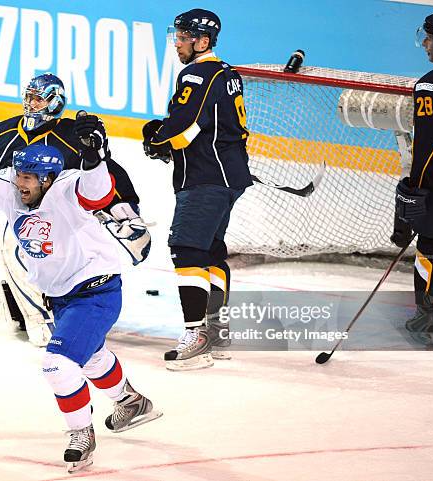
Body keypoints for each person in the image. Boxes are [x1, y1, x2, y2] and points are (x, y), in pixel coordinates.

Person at [0, 117, 161, 472]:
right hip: (61, 295)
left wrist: (94, 156)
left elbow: (96, 193)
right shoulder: (11, 186)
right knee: (91, 357)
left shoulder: (68, 188)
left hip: (96, 291)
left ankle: (81, 434)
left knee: (57, 364)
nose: (19, 183)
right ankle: (131, 401)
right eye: (18, 174)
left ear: (47, 179)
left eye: (28, 178)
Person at [0, 72, 151, 346]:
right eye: (29, 98)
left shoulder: (73, 134)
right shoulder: (1, 133)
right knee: (10, 239)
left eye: (38, 99)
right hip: (16, 214)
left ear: (55, 103)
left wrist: (126, 208)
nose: (31, 104)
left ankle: (53, 315)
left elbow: (106, 173)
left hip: (62, 218)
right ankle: (28, 310)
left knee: (34, 246)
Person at [141, 9, 252, 370]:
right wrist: (168, 139)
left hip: (207, 177)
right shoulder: (227, 73)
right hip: (229, 175)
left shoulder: (197, 72)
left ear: (203, 42)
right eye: (178, 35)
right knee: (211, 251)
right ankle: (217, 332)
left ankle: (197, 336)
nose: (178, 43)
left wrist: (156, 138)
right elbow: (198, 127)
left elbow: (184, 123)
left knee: (186, 249)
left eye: (184, 37)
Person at [391, 10, 433, 345]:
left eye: (431, 39)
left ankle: (425, 319)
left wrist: (414, 188)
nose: (426, 45)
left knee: (431, 249)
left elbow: (429, 144)